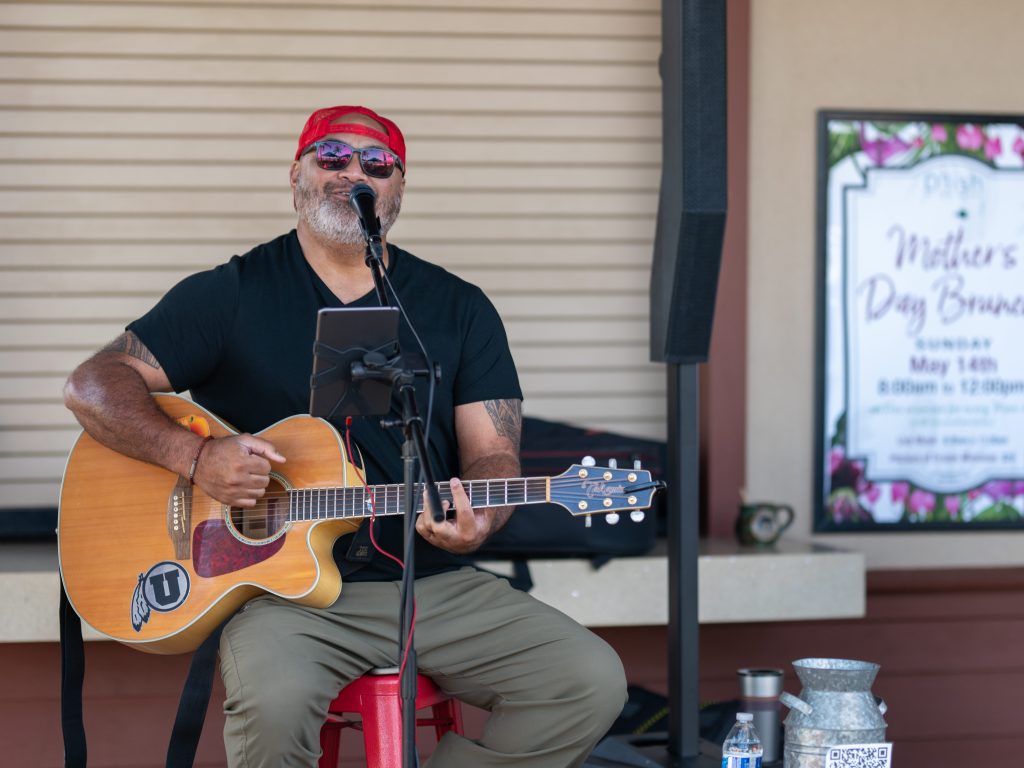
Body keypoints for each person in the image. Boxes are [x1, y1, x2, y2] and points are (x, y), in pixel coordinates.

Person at [63, 105, 627, 767]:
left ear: (397, 189)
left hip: (435, 584)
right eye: (331, 157)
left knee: (587, 681)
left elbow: (492, 455)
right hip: (286, 598)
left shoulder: (458, 306)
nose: (351, 173)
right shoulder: (230, 294)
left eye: (375, 163)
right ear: (296, 174)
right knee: (273, 706)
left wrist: (482, 516)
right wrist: (195, 457)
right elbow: (93, 383)